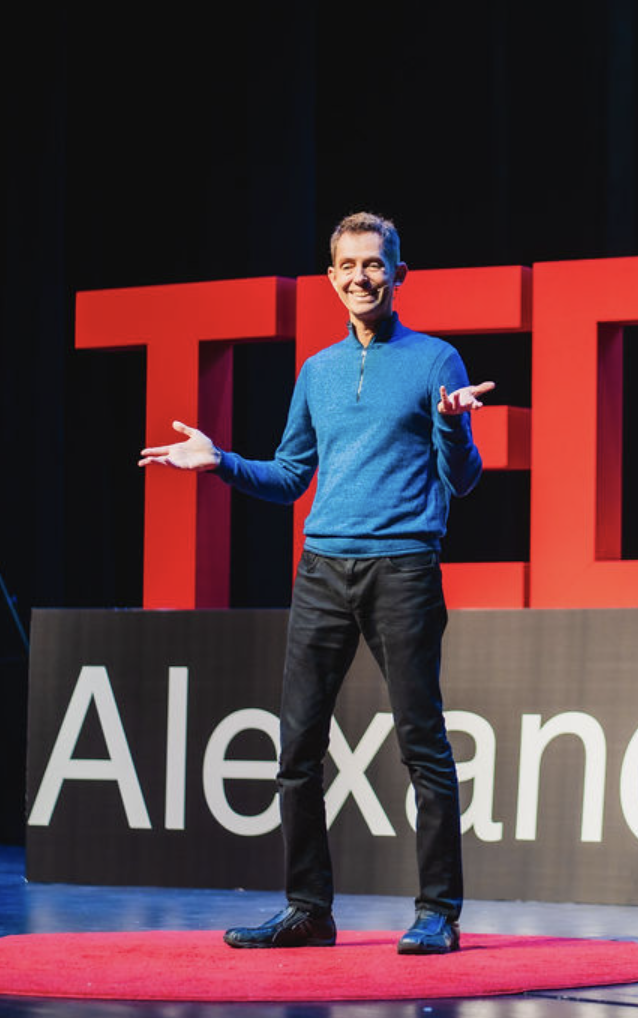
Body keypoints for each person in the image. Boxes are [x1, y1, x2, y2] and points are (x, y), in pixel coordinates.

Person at [138, 212, 493, 955]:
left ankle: (437, 914)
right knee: (296, 747)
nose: (361, 277)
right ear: (331, 277)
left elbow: (460, 482)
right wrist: (221, 462)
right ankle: (308, 910)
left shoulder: (436, 362)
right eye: (347, 266)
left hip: (403, 568)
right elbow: (293, 473)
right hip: (323, 570)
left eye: (374, 264)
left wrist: (455, 425)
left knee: (421, 742)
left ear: (399, 274)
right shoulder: (317, 371)